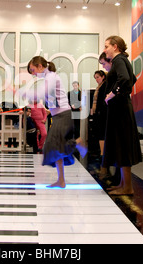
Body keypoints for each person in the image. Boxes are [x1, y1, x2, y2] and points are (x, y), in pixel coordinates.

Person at [25, 56, 87, 188]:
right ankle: (61, 180)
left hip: (63, 116)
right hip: (59, 116)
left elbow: (41, 94)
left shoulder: (51, 76)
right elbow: (54, 99)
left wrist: (22, 92)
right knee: (54, 149)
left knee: (52, 146)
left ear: (40, 66)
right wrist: (49, 111)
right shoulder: (48, 78)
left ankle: (77, 142)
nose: (33, 74)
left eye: (33, 70)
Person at [103, 36, 142, 195]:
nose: (105, 50)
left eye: (107, 46)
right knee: (121, 145)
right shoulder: (122, 60)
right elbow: (132, 78)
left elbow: (126, 79)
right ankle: (123, 184)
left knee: (123, 145)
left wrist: (112, 94)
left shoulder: (119, 60)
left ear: (115, 46)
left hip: (121, 110)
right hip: (121, 108)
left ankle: (127, 187)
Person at [91, 65, 108, 178]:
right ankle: (102, 156)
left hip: (102, 113)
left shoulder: (104, 86)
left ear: (102, 76)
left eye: (98, 77)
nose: (96, 79)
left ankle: (103, 156)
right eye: (95, 77)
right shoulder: (99, 87)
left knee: (102, 134)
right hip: (98, 113)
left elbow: (101, 101)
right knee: (99, 134)